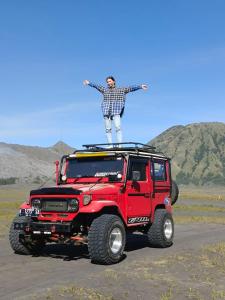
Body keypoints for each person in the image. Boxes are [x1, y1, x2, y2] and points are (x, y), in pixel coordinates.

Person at [83, 76, 148, 145]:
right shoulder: (105, 90)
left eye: (110, 81)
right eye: (107, 82)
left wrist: (140, 86)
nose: (108, 83)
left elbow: (131, 88)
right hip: (106, 112)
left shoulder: (121, 90)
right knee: (108, 129)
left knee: (118, 128)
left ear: (114, 81)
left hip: (116, 111)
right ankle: (110, 145)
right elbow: (97, 86)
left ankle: (119, 145)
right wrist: (89, 83)